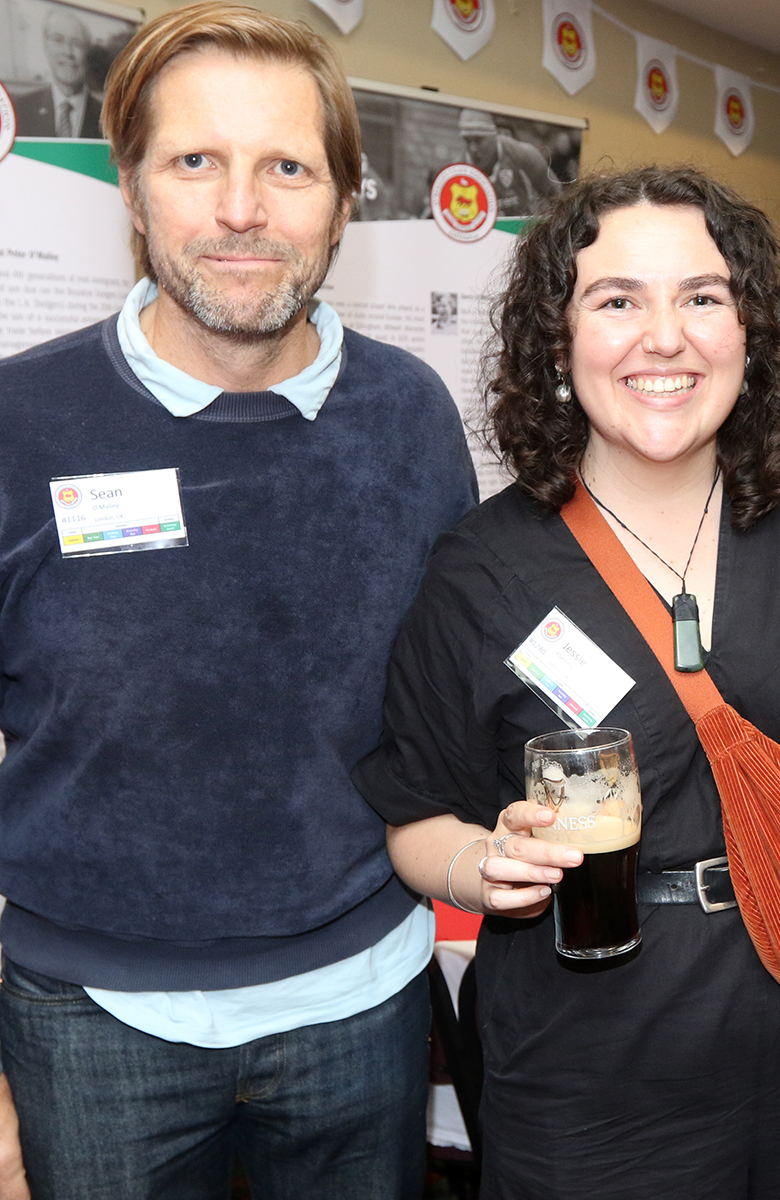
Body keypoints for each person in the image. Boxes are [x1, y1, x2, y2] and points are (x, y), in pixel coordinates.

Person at [352, 165, 780, 1199]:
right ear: (558, 344)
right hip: (590, 1071)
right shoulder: (484, 571)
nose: (664, 337)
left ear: (747, 335)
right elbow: (416, 818)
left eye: (702, 297)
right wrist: (484, 865)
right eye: (617, 301)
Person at [0, 5, 476, 1198]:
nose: (241, 209)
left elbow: (453, 696)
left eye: (288, 168)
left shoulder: (413, 418)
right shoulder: (19, 423)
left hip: (364, 1002)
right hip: (89, 1024)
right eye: (195, 161)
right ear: (131, 189)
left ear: (345, 200)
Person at [12, 8, 103, 139]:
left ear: (88, 52)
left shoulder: (108, 117)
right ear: (46, 46)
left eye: (77, 43)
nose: (68, 52)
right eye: (58, 40)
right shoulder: (19, 110)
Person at [457, 106, 560, 219]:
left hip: (526, 226)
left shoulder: (524, 155)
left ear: (494, 135)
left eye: (479, 140)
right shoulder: (458, 171)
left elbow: (558, 197)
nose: (473, 149)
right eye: (467, 141)